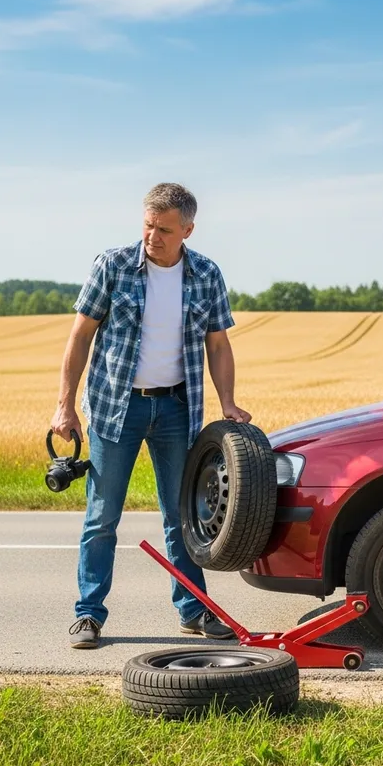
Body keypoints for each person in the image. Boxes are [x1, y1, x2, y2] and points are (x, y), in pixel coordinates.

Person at [50, 182, 251, 649]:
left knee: (182, 516)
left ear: (188, 229)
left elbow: (218, 344)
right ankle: (88, 614)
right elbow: (79, 336)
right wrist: (64, 405)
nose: (152, 236)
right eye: (147, 225)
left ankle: (193, 609)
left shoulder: (206, 274)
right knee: (102, 516)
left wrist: (228, 403)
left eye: (163, 229)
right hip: (115, 407)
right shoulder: (113, 266)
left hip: (177, 408)